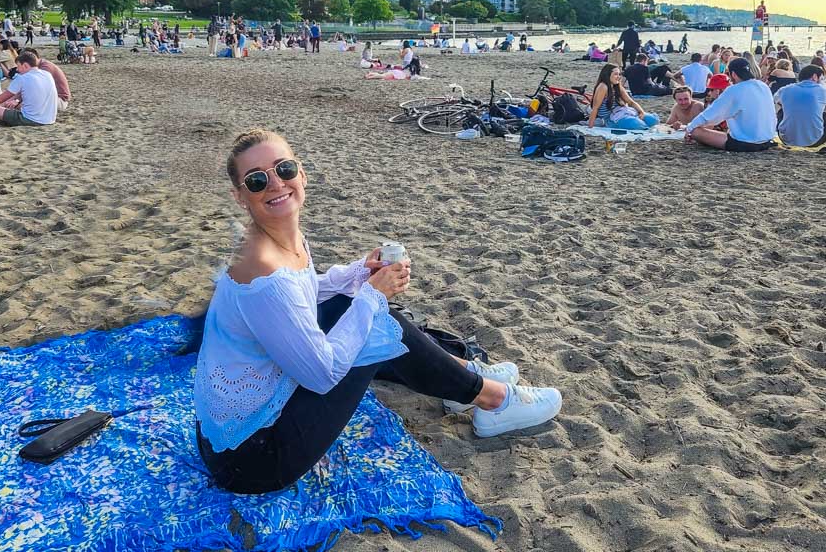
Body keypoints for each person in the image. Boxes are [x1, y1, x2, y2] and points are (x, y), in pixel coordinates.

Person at [194, 130, 562, 494]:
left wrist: (358, 273)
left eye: (284, 169)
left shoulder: (278, 239)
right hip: (253, 460)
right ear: (240, 197)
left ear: (301, 173)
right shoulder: (263, 269)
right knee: (371, 324)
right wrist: (371, 295)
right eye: (257, 180)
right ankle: (491, 399)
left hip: (239, 432)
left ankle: (461, 377)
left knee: (345, 305)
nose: (276, 184)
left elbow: (304, 292)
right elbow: (321, 375)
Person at [684, 57, 776, 152]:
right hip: (767, 140)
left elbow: (710, 116)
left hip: (744, 143)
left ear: (733, 74)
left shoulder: (734, 89)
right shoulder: (763, 86)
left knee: (695, 131)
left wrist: (690, 128)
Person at [0, 51, 58, 127]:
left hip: (30, 120)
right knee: (8, 105)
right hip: (50, 119)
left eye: (18, 66)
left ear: (25, 65)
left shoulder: (22, 78)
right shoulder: (47, 74)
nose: (17, 70)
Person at [775, 64, 826, 147]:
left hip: (785, 138)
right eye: (821, 78)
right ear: (814, 76)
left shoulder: (785, 89)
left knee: (780, 104)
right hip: (815, 140)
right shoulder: (822, 90)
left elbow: (776, 99)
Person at [588, 63, 656, 130]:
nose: (618, 77)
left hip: (622, 112)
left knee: (652, 120)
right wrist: (590, 127)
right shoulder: (603, 87)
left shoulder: (617, 86)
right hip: (610, 119)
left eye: (619, 74)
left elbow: (631, 102)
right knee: (638, 124)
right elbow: (595, 108)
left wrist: (641, 112)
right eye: (615, 74)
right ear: (607, 75)